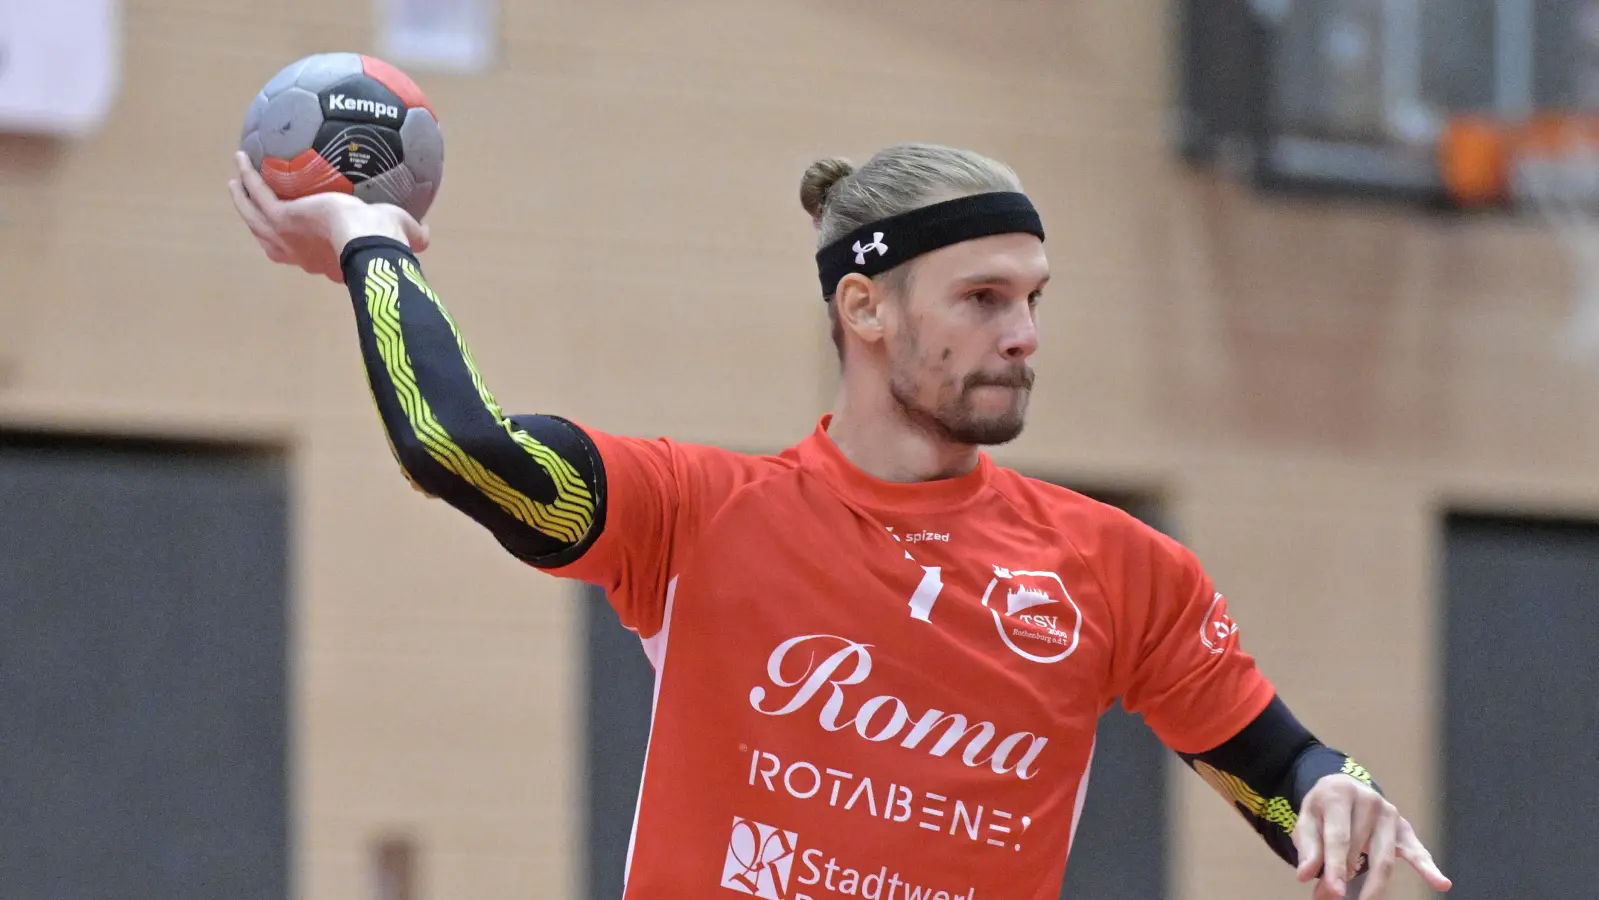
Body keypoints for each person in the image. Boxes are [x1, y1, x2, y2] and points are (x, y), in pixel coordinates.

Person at [228, 143, 1453, 900]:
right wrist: (369, 239)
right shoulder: (702, 516)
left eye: (1033, 299)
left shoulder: (1118, 570)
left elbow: (1279, 772)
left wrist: (1339, 795)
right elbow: (458, 446)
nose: (1022, 333)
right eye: (981, 297)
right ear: (862, 308)